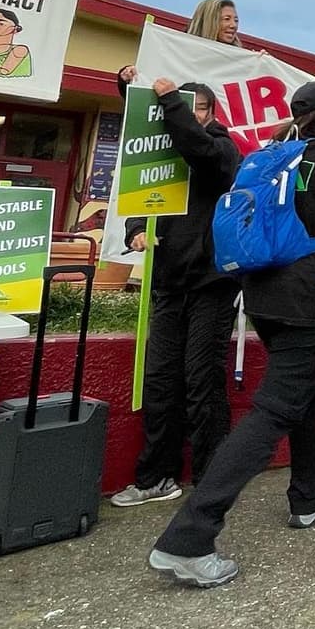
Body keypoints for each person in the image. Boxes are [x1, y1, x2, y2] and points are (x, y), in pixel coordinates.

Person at [148, 80, 315, 587]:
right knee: (276, 410)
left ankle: (311, 494)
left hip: (261, 296)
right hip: (312, 299)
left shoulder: (269, 155)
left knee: (309, 392)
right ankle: (189, 538)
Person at [111, 80, 242, 506]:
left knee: (203, 381)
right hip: (168, 284)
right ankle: (155, 477)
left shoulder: (223, 148)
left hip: (212, 284)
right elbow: (139, 200)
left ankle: (210, 480)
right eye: (190, 108)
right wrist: (134, 231)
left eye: (200, 108)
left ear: (213, 112)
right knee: (161, 381)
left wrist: (170, 104)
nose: (194, 115)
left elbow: (201, 152)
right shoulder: (159, 152)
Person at [116, 0, 242, 91]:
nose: (233, 25)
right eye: (226, 19)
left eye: (236, 20)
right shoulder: (176, 53)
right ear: (209, 21)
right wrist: (129, 79)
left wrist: (259, 65)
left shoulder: (240, 62)